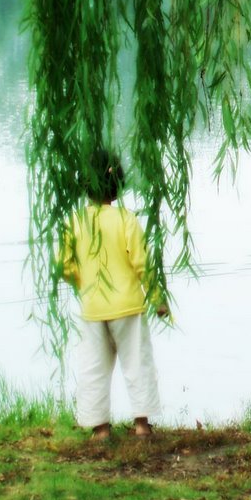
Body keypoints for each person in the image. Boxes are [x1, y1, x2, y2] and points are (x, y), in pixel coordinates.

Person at [61, 149, 169, 440]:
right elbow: (142, 263)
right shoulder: (126, 219)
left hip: (93, 306)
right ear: (118, 184)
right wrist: (157, 296)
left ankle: (100, 430)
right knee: (137, 364)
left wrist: (84, 282)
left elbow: (64, 265)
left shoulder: (74, 221)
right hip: (128, 307)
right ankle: (142, 425)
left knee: (93, 368)